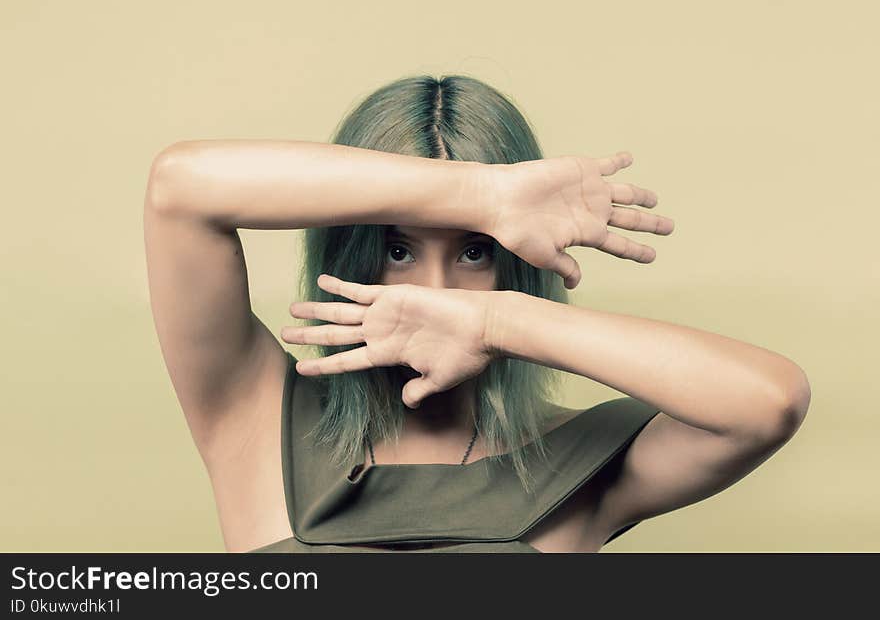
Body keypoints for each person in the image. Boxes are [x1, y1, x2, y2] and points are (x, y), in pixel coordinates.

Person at [143, 75, 811, 553]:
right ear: (349, 250)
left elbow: (768, 400)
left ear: (517, 267)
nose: (435, 290)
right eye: (397, 247)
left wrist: (499, 323)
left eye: (473, 253)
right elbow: (181, 186)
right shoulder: (254, 415)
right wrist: (483, 196)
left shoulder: (582, 466)